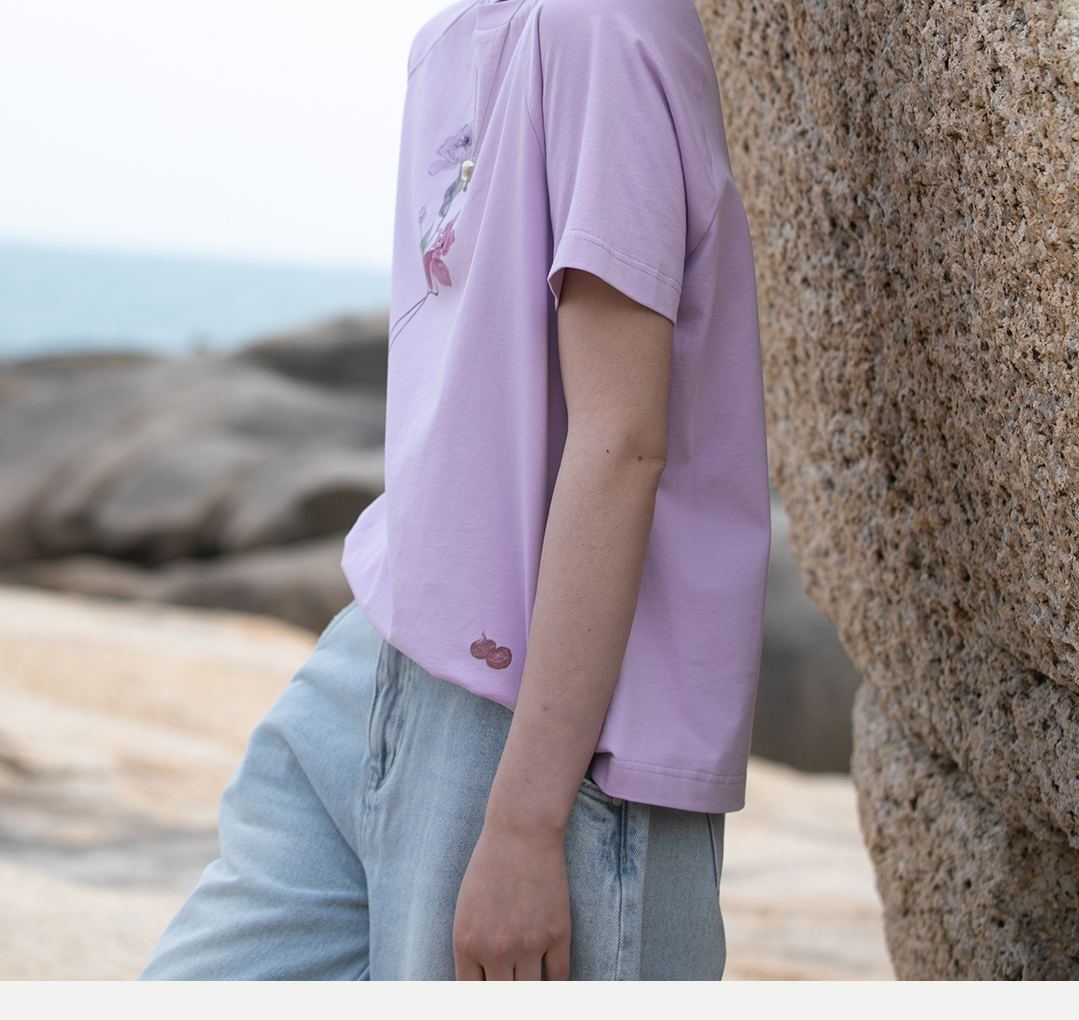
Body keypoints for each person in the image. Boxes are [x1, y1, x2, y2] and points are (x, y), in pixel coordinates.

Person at [140, 0, 768, 981]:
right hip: (375, 663)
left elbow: (621, 443)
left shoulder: (599, 32)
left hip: (545, 733)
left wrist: (524, 822)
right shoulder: (448, 44)